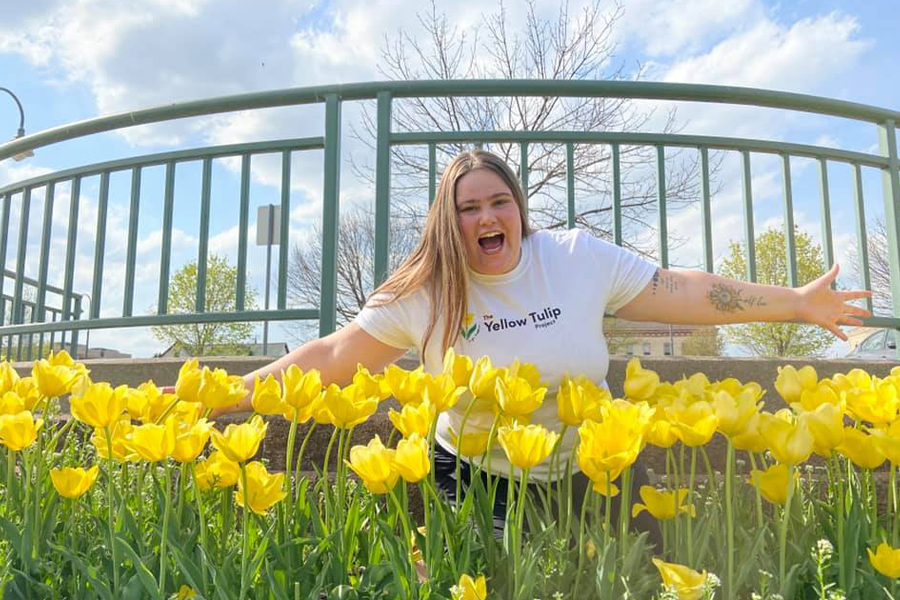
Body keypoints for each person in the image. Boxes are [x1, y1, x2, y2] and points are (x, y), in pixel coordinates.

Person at [216, 149, 871, 538]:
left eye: (498, 202)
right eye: (468, 208)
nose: (486, 218)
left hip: (595, 468)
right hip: (477, 480)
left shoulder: (574, 258)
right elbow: (332, 357)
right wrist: (230, 393)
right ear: (450, 220)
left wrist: (797, 302)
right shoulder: (428, 290)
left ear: (518, 209)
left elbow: (685, 289)